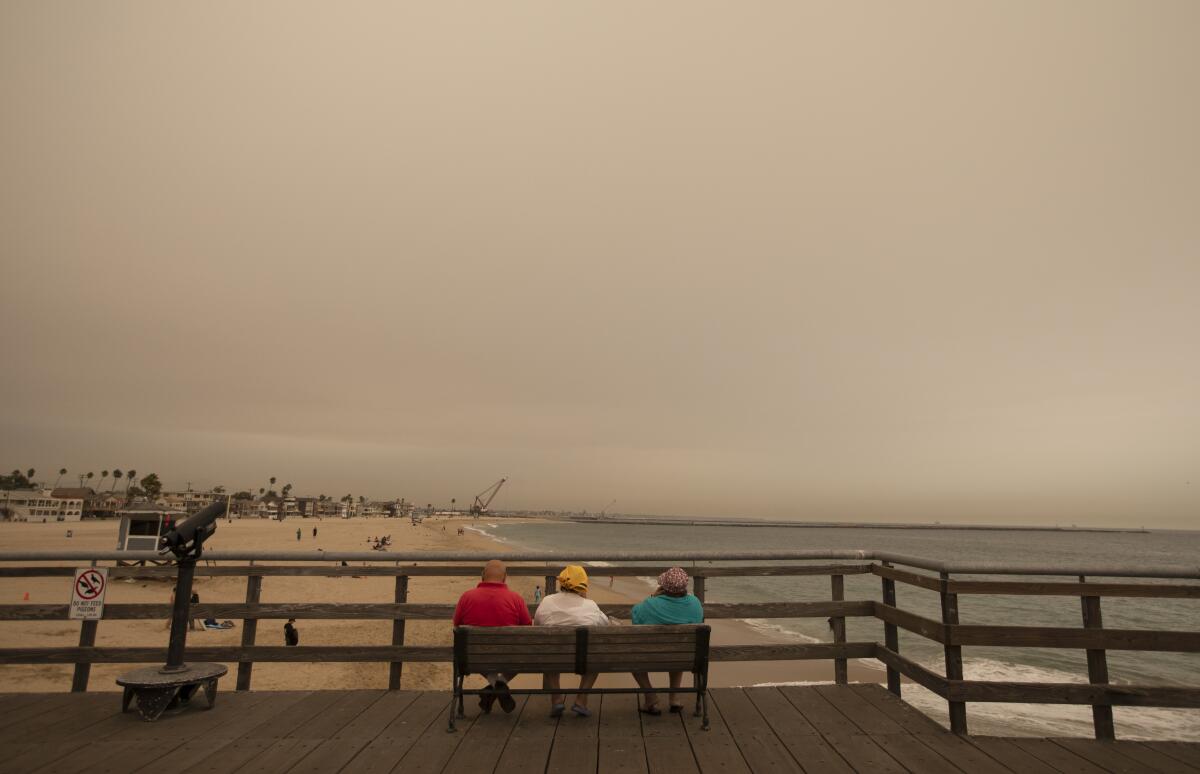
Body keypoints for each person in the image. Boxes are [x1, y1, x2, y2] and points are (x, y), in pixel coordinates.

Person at [452, 559, 532, 713]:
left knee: (474, 654)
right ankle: (500, 684)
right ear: (505, 577)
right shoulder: (516, 599)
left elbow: (456, 626)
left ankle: (494, 686)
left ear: (482, 575)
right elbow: (527, 629)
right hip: (510, 657)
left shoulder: (466, 597)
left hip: (473, 658)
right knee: (525, 654)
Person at [533, 566, 613, 717]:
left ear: (561, 583)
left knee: (549, 651)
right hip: (582, 662)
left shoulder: (547, 601)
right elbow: (605, 626)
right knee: (596, 658)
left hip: (553, 660)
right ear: (583, 586)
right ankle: (581, 700)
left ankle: (557, 699)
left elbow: (537, 626)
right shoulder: (591, 606)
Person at [630, 567, 704, 715]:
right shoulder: (695, 603)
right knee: (679, 650)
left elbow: (635, 617)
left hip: (651, 658)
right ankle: (674, 698)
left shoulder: (650, 605)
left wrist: (653, 597)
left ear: (663, 587)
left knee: (632, 658)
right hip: (685, 658)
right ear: (684, 587)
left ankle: (650, 697)